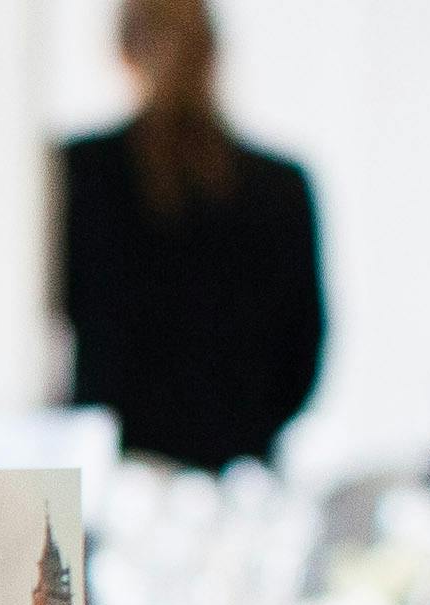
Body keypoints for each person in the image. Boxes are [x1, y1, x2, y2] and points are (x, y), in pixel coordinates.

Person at [56, 0, 325, 473]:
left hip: (118, 470)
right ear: (215, 53)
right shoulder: (281, 185)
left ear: (122, 52)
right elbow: (304, 347)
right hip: (242, 472)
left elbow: (63, 311)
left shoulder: (80, 173)